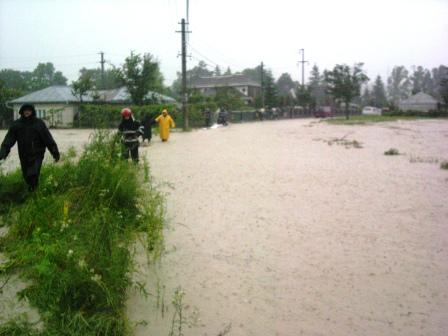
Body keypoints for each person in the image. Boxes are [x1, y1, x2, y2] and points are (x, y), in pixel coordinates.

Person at [0, 103, 60, 191]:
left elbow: (48, 139)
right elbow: (9, 140)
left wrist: (55, 152)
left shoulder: (39, 124)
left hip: (37, 154)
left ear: (32, 111)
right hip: (24, 154)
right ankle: (33, 192)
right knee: (27, 177)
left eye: (29, 110)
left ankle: (33, 192)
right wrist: (3, 152)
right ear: (22, 112)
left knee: (33, 173)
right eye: (25, 110)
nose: (27, 112)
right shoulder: (17, 125)